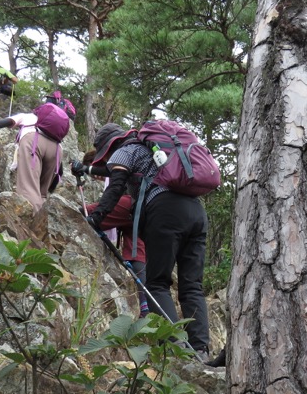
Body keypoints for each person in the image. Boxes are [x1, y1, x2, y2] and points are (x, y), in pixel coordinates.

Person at [74, 122, 211, 362]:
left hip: (165, 211)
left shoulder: (125, 150)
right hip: (196, 212)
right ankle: (201, 349)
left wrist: (96, 217)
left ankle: (175, 348)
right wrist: (87, 169)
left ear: (110, 146)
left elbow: (116, 186)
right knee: (191, 286)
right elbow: (114, 172)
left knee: (157, 283)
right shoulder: (154, 151)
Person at [74, 147, 149, 318]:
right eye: (94, 177)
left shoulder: (117, 163)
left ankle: (146, 305)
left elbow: (106, 198)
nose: (97, 177)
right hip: (139, 211)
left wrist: (93, 215)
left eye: (96, 171)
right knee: (136, 254)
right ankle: (145, 306)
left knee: (84, 213)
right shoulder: (126, 165)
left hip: (131, 205)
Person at [0, 103, 70, 212]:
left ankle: (30, 220)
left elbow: (0, 123)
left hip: (33, 143)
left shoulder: (28, 116)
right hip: (56, 150)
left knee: (29, 187)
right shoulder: (54, 134)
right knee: (41, 194)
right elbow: (59, 172)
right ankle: (43, 218)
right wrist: (50, 189)